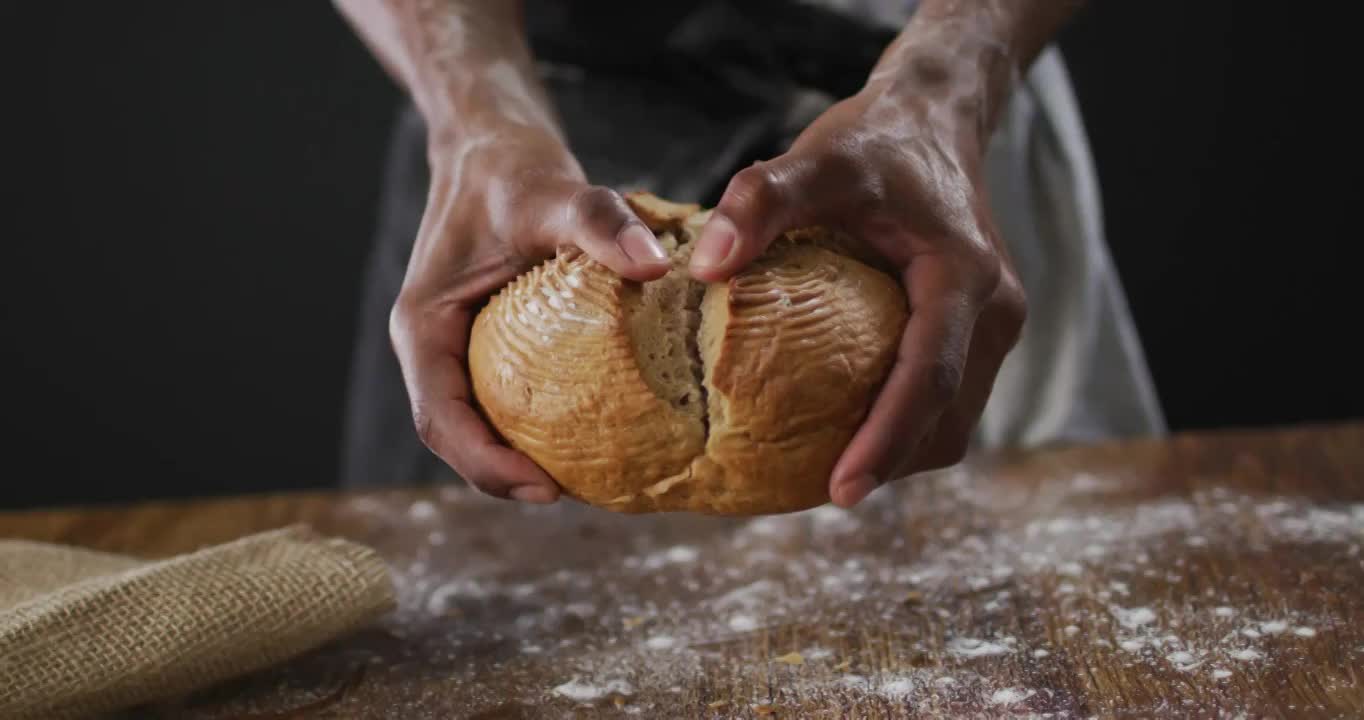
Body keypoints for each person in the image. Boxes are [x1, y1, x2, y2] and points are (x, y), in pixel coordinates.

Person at [332, 0, 1166, 508]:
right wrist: (473, 110)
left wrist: (951, 83)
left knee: (1037, 590)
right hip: (518, 167)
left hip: (936, 139)